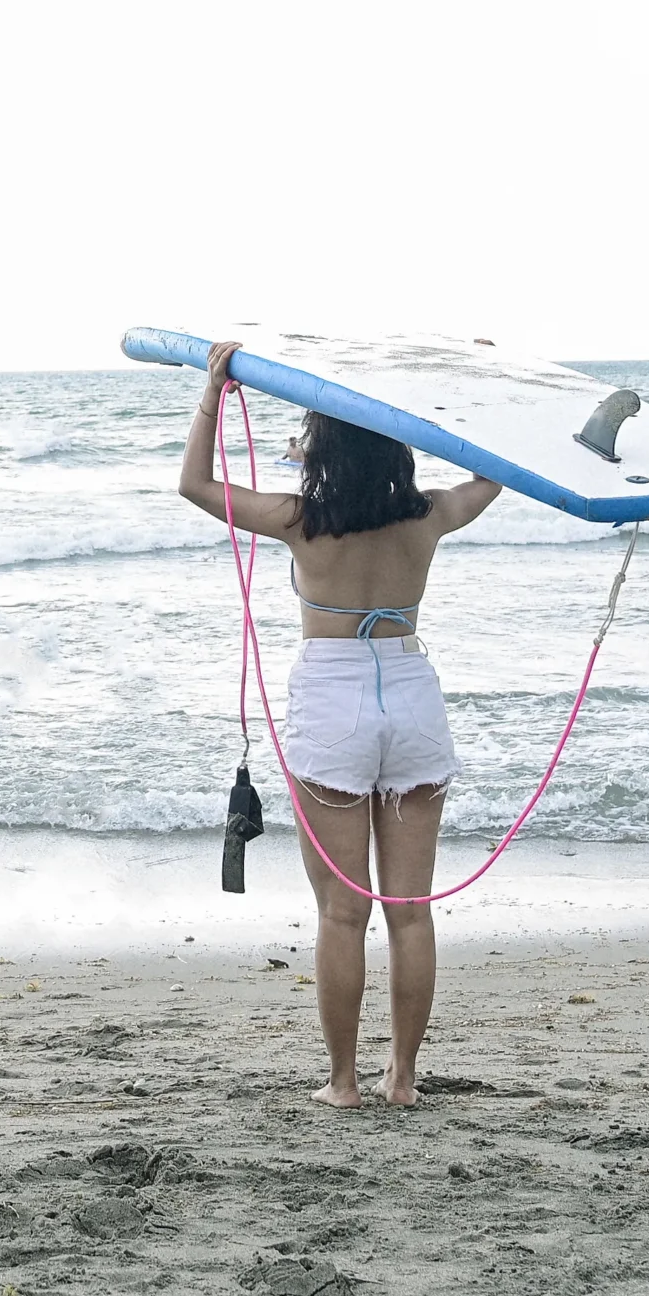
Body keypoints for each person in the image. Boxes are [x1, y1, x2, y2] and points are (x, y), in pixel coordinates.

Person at [176, 341, 501, 1109]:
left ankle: (344, 1083)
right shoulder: (429, 514)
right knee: (409, 911)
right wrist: (476, 394)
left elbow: (195, 484)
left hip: (332, 704)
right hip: (412, 698)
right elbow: (493, 474)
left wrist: (214, 392)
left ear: (321, 450)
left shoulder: (301, 520)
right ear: (395, 448)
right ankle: (404, 1080)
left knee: (341, 912)